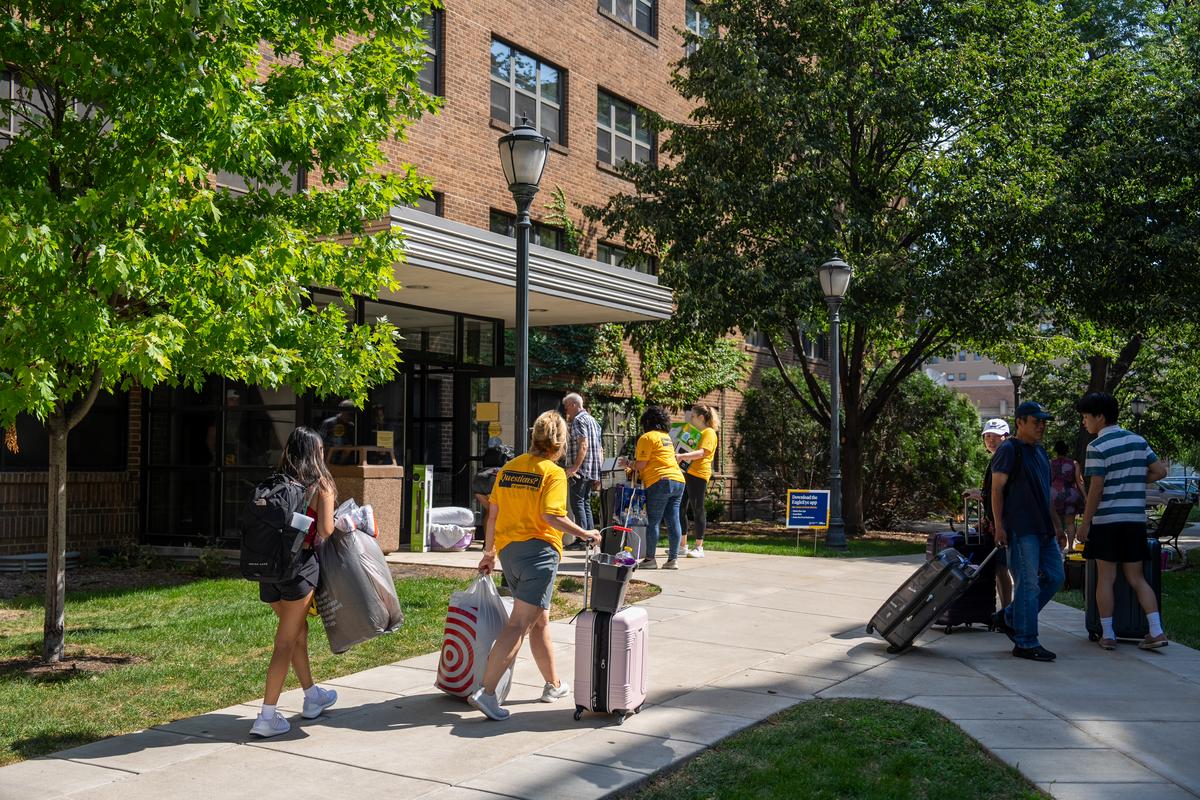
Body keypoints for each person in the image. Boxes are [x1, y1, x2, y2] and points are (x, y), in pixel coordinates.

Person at [468, 411, 601, 721]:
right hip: (539, 554)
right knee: (518, 624)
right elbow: (551, 516)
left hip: (510, 554)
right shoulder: (553, 473)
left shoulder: (509, 469)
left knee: (538, 619)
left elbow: (493, 515)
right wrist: (585, 533)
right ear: (560, 442)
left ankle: (553, 685)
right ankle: (487, 693)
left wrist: (489, 552)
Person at [250, 427, 339, 737]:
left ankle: (312, 696)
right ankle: (267, 716)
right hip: (299, 571)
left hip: (269, 571)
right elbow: (326, 531)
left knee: (298, 632)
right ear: (315, 452)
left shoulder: (276, 482)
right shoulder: (320, 484)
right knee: (285, 642)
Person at [1075, 392, 1170, 650]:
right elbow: (1160, 471)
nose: (1084, 422)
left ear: (1100, 417)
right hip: (1134, 520)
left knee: (1106, 578)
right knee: (1137, 577)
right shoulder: (1137, 441)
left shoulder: (1096, 447)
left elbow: (1096, 488)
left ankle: (1107, 634)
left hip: (1107, 521)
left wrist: (1085, 523)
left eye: (1086, 417)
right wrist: (1135, 480)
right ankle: (1156, 630)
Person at [990, 401, 1064, 662]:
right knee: (1028, 584)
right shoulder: (1009, 450)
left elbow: (1046, 494)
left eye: (1044, 421)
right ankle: (1026, 642)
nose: (1042, 426)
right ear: (1020, 422)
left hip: (1044, 530)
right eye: (1036, 421)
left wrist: (1057, 525)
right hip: (1021, 530)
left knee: (1055, 577)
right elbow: (996, 490)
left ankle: (1009, 617)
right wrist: (999, 526)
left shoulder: (1041, 453)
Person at [964, 417, 1014, 608]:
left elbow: (1003, 493)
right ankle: (1006, 610)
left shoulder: (1005, 458)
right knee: (1000, 569)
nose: (991, 441)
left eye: (996, 436)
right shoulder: (997, 458)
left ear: (1006, 437)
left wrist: (982, 495)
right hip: (998, 523)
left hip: (1006, 524)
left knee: (1004, 569)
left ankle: (1008, 611)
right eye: (987, 437)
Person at [630, 405, 686, 570]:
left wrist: (628, 463)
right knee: (673, 520)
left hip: (660, 480)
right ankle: (672, 560)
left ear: (647, 422)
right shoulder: (666, 437)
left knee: (653, 521)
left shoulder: (647, 437)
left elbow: (641, 465)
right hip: (678, 480)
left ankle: (650, 560)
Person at [676, 404, 720, 559]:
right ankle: (682, 546)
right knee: (680, 508)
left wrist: (682, 456)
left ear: (701, 417)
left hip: (699, 475)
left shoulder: (709, 432)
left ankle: (699, 547)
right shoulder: (697, 432)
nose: (691, 419)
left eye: (693, 416)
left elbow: (703, 453)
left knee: (697, 509)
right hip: (687, 472)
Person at [562, 392, 603, 533]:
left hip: (580, 470)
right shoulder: (594, 421)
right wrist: (599, 473)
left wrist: (574, 468)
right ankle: (590, 537)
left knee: (577, 503)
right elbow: (600, 449)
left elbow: (583, 445)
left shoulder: (578, 421)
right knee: (585, 503)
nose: (566, 411)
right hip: (592, 470)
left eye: (566, 407)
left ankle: (582, 537)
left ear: (574, 405)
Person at [1050, 439, 1086, 553]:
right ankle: (1070, 547)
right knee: (1070, 523)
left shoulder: (1050, 463)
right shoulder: (1074, 463)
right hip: (1070, 495)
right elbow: (1079, 482)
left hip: (1053, 495)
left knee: (1055, 524)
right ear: (1067, 450)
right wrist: (1085, 496)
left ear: (1056, 450)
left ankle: (1056, 548)